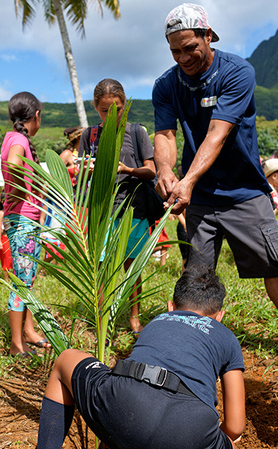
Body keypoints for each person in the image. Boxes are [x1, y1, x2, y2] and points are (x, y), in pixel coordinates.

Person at [152, 3, 278, 366]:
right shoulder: (166, 84)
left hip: (243, 191)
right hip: (201, 197)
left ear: (209, 36)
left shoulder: (237, 71)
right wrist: (164, 171)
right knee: (196, 273)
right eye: (175, 51)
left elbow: (217, 133)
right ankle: (192, 343)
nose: (183, 57)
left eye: (190, 47)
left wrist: (187, 179)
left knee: (274, 261)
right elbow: (165, 133)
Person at [16, 266, 245, 449]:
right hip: (189, 429)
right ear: (220, 316)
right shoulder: (226, 336)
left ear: (171, 307)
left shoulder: (158, 320)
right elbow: (236, 426)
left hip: (122, 410)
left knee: (64, 360)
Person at [79, 78, 157, 333]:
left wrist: (128, 170)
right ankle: (103, 319)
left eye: (118, 109)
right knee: (101, 269)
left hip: (133, 210)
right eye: (105, 111)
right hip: (102, 213)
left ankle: (134, 317)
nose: (112, 115)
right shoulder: (89, 135)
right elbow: (81, 175)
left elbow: (151, 169)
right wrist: (90, 171)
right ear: (95, 107)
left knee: (132, 266)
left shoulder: (137, 132)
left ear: (125, 105)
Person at [1, 91, 52, 357]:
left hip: (25, 219)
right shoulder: (19, 139)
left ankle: (29, 332)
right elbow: (13, 165)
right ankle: (16, 344)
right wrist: (20, 192)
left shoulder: (15, 138)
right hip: (22, 220)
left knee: (28, 279)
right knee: (22, 283)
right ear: (36, 116)